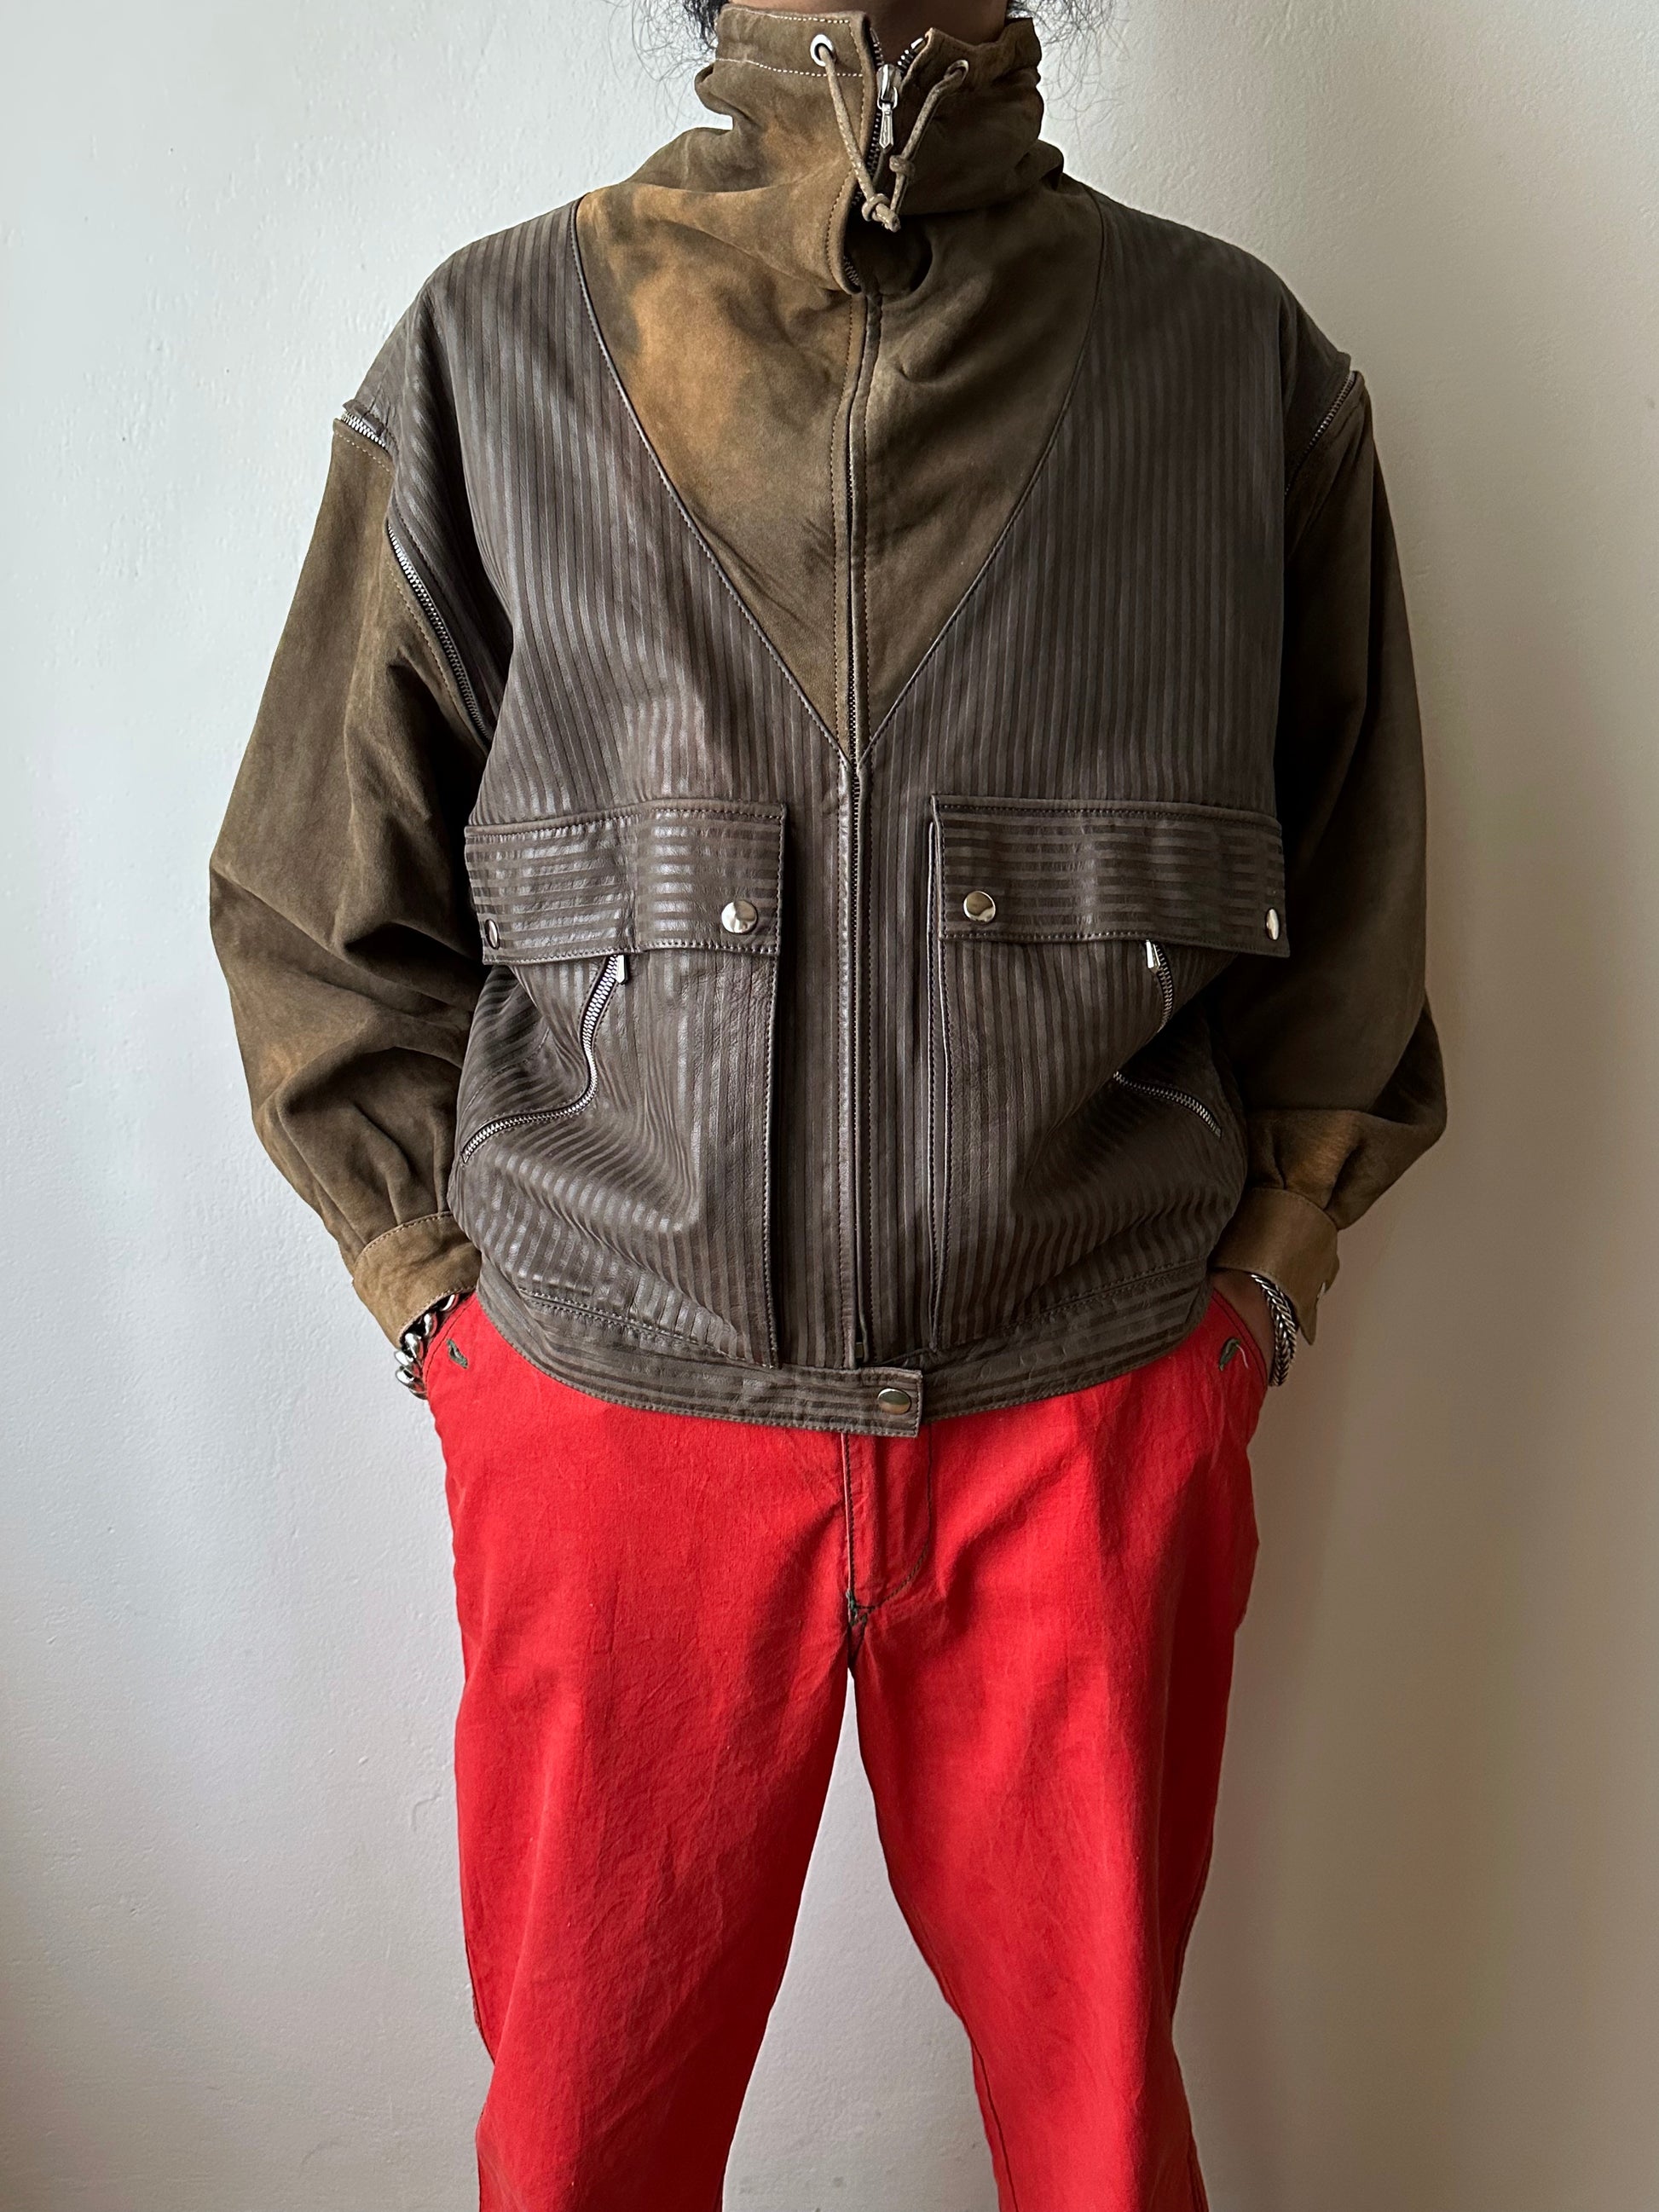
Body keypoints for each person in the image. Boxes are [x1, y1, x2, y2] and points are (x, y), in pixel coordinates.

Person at [209, 0, 1446, 2198]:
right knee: (582, 2146)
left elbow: (1354, 882)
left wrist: (1258, 1292)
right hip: (611, 1425)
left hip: (1087, 1417)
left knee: (1100, 2143)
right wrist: (448, 1320)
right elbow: (319, 907)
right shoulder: (490, 352)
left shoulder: (1238, 362)